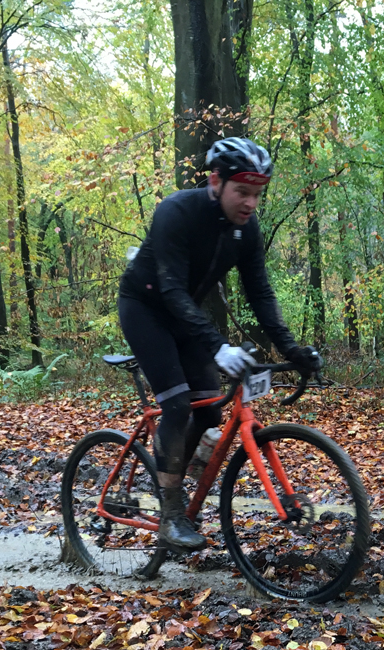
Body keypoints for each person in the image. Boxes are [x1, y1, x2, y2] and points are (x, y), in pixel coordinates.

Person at [117, 137, 320, 551]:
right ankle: (171, 515)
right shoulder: (176, 212)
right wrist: (218, 347)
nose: (250, 203)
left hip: (184, 313)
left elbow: (260, 293)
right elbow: (172, 290)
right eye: (242, 191)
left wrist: (292, 349)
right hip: (145, 308)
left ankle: (172, 471)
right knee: (177, 404)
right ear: (215, 182)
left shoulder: (246, 230)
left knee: (210, 409)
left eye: (257, 194)